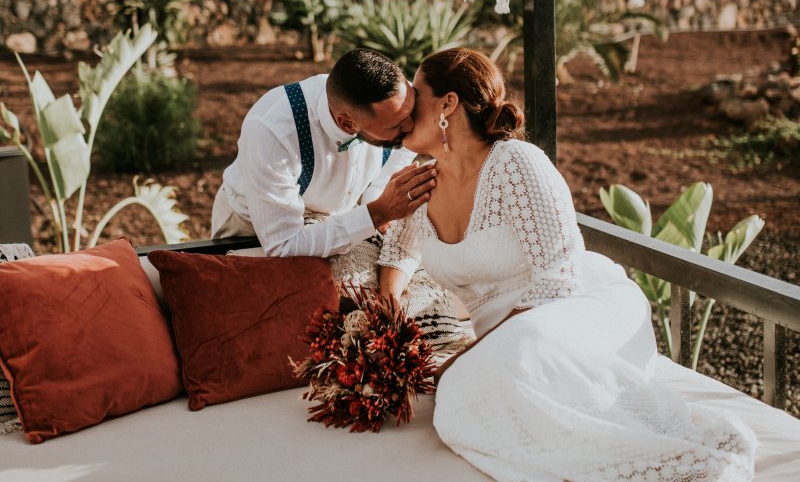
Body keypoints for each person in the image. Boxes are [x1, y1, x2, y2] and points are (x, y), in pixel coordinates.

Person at [378, 48, 756, 482]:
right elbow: (398, 253)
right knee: (458, 407)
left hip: (571, 309)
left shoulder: (516, 164)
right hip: (504, 343)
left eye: (415, 93)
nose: (405, 107)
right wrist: (390, 323)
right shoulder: (420, 177)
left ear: (448, 104)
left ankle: (670, 461)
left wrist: (469, 355)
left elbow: (558, 277)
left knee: (490, 370)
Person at [211, 48, 437, 257]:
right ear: (348, 124)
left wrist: (378, 199)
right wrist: (378, 212)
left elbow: (394, 163)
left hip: (338, 221)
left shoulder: (397, 101)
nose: (410, 126)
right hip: (253, 228)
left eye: (411, 112)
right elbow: (284, 245)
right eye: (396, 126)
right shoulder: (273, 132)